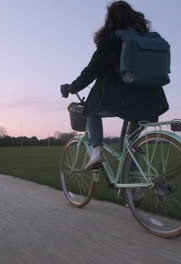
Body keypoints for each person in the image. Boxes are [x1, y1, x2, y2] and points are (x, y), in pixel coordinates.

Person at [61, 1, 169, 170]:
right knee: (130, 144)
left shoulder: (113, 39)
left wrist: (72, 88)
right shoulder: (148, 40)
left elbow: (92, 70)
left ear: (110, 19)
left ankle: (97, 151)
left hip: (122, 97)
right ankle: (135, 188)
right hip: (153, 99)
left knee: (91, 110)